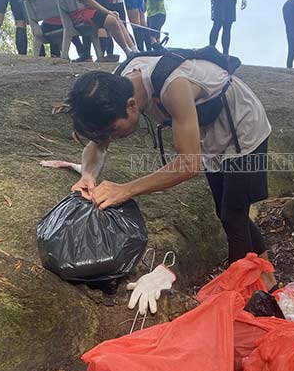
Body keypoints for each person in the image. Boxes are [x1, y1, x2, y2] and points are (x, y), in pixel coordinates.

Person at [66, 51, 274, 277]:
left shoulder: (173, 86)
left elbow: (188, 164)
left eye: (114, 131)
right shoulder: (114, 88)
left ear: (132, 105)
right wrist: (87, 175)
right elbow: (98, 145)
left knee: (233, 214)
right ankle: (268, 277)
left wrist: (126, 189)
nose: (111, 138)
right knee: (225, 209)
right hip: (208, 132)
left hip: (242, 125)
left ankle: (240, 290)